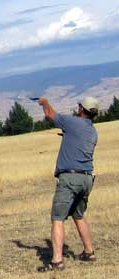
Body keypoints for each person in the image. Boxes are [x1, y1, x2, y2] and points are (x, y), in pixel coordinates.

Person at [38, 96, 99, 271]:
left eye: (79, 105)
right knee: (78, 216)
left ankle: (57, 261)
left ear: (82, 110)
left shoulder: (72, 123)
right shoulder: (93, 131)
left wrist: (44, 102)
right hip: (87, 178)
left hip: (70, 179)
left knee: (57, 218)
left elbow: (50, 114)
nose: (78, 107)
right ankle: (89, 252)